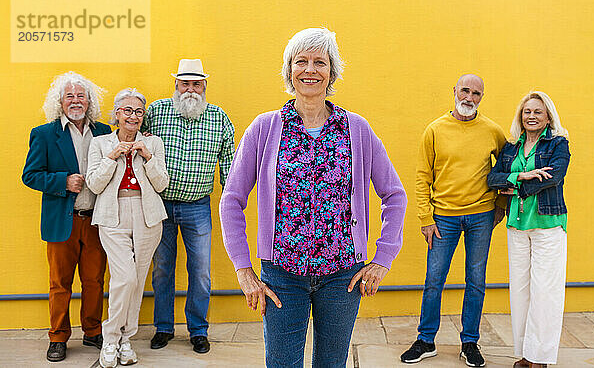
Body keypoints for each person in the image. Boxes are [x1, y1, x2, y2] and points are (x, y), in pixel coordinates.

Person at [219, 27, 408, 368]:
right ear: (289, 70)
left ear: (332, 72)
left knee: (332, 364)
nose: (310, 69)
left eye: (320, 62)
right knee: (282, 363)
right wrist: (244, 270)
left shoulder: (357, 129)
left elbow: (394, 194)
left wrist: (383, 258)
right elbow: (231, 198)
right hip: (281, 275)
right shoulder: (265, 128)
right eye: (301, 62)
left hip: (342, 275)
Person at [402, 74, 506, 367]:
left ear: (481, 97)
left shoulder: (492, 131)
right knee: (434, 280)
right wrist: (425, 217)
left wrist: (500, 204)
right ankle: (425, 340)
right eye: (465, 90)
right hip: (442, 218)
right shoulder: (434, 130)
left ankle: (470, 342)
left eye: (476, 93)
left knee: (476, 280)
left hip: (481, 216)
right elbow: (423, 176)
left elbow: (509, 165)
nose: (469, 97)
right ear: (454, 92)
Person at [143, 59, 235, 353]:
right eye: (185, 84)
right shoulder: (155, 112)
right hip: (160, 205)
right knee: (162, 270)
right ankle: (164, 328)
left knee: (201, 271)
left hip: (198, 206)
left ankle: (198, 330)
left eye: (197, 84)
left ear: (204, 87)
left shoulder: (219, 118)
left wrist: (231, 202)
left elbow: (229, 163)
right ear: (176, 86)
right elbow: (135, 143)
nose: (190, 90)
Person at [22, 71, 111, 362]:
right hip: (63, 220)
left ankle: (93, 331)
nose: (76, 101)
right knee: (60, 284)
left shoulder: (103, 131)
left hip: (96, 220)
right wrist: (62, 181)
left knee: (95, 281)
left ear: (89, 101)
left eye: (81, 96)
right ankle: (58, 337)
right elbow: (30, 175)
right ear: (60, 101)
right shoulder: (44, 133)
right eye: (69, 95)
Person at [86, 88, 169, 367]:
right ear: (117, 114)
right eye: (127, 111)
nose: (133, 116)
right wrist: (112, 157)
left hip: (148, 216)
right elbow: (94, 185)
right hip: (112, 215)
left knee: (138, 280)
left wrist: (147, 157)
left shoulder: (153, 143)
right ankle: (110, 339)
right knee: (126, 279)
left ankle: (125, 340)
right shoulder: (100, 143)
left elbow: (161, 184)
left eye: (138, 112)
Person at [487, 91, 569, 368]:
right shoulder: (511, 147)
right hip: (517, 226)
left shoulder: (558, 144)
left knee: (546, 291)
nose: (531, 116)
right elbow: (492, 178)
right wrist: (521, 175)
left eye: (538, 112)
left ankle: (540, 358)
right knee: (520, 291)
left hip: (548, 224)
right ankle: (525, 353)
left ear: (548, 117)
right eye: (527, 112)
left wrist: (515, 187)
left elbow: (554, 176)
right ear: (521, 116)